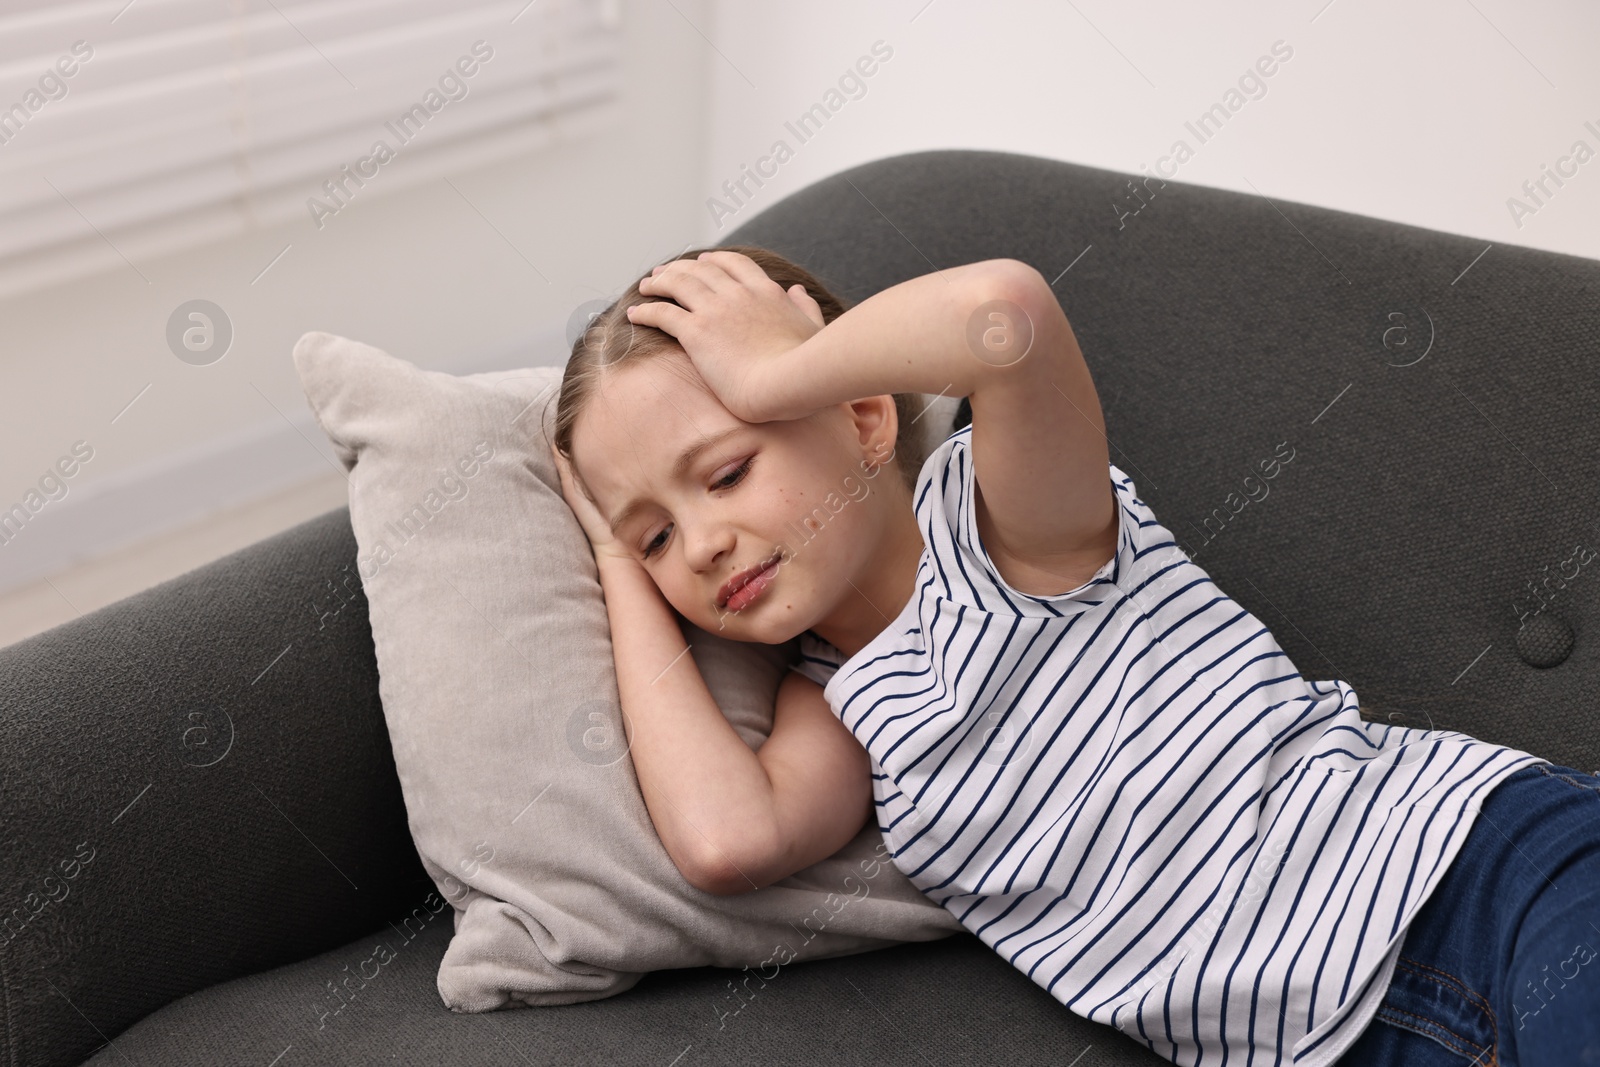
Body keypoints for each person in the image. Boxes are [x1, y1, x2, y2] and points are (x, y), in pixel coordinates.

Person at [545, 244, 1600, 1066]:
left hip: (1480, 874)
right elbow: (724, 840)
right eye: (655, 536)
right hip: (1356, 1040)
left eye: (725, 473)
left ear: (864, 418)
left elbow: (1008, 318)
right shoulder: (836, 707)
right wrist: (606, 552)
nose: (701, 543)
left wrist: (779, 367)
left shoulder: (1008, 526)